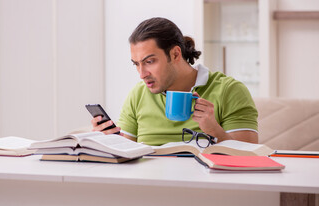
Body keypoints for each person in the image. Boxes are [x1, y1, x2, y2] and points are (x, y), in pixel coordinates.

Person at [92, 17, 258, 146]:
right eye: (136, 64)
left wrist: (214, 130)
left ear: (175, 54)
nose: (142, 74)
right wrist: (108, 141)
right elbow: (126, 153)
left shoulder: (229, 91)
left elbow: (249, 158)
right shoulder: (138, 94)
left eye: (149, 61)